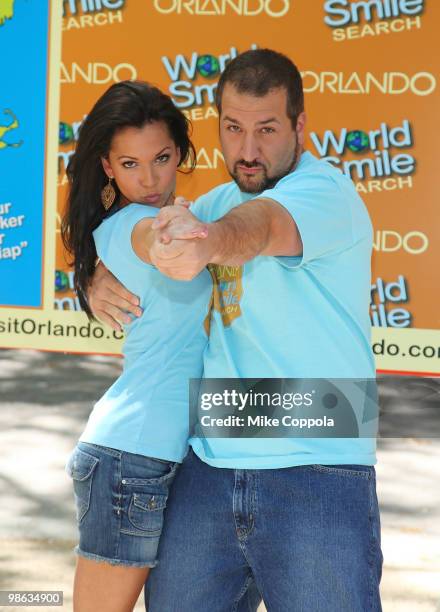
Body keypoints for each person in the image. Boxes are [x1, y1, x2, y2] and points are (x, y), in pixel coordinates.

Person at [89, 50, 383, 611]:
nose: (248, 150)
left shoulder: (326, 193)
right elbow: (146, 239)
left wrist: (209, 242)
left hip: (316, 468)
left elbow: (257, 228)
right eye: (233, 128)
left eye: (267, 129)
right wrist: (94, 278)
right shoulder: (214, 200)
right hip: (207, 466)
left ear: (300, 126)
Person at [61, 80, 212, 612]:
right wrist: (170, 234)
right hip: (131, 456)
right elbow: (153, 237)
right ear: (106, 166)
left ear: (181, 154)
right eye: (129, 164)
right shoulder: (131, 227)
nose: (149, 179)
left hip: (179, 453)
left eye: (162, 158)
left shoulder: (181, 215)